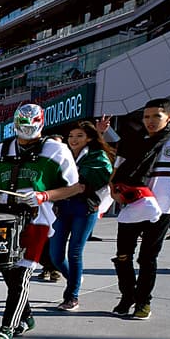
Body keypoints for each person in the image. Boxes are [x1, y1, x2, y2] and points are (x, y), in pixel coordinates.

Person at [0, 104, 81, 339]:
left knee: (22, 274)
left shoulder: (57, 150)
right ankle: (27, 317)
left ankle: (7, 329)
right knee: (8, 273)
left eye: (31, 127)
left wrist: (45, 195)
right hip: (0, 218)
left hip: (35, 219)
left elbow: (74, 187)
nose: (26, 132)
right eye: (22, 127)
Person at [110, 98, 170, 320]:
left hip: (163, 207)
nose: (150, 121)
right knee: (122, 255)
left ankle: (143, 302)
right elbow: (116, 169)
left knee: (147, 257)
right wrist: (113, 190)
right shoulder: (132, 140)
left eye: (156, 116)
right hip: (132, 204)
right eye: (146, 116)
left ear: (168, 117)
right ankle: (127, 296)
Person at [48, 120, 115, 311]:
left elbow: (87, 183)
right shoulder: (62, 155)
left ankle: (72, 296)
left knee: (75, 252)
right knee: (56, 255)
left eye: (79, 136)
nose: (74, 140)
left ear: (89, 138)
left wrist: (70, 182)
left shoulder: (97, 156)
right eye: (71, 136)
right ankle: (75, 278)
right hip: (63, 208)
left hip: (84, 209)